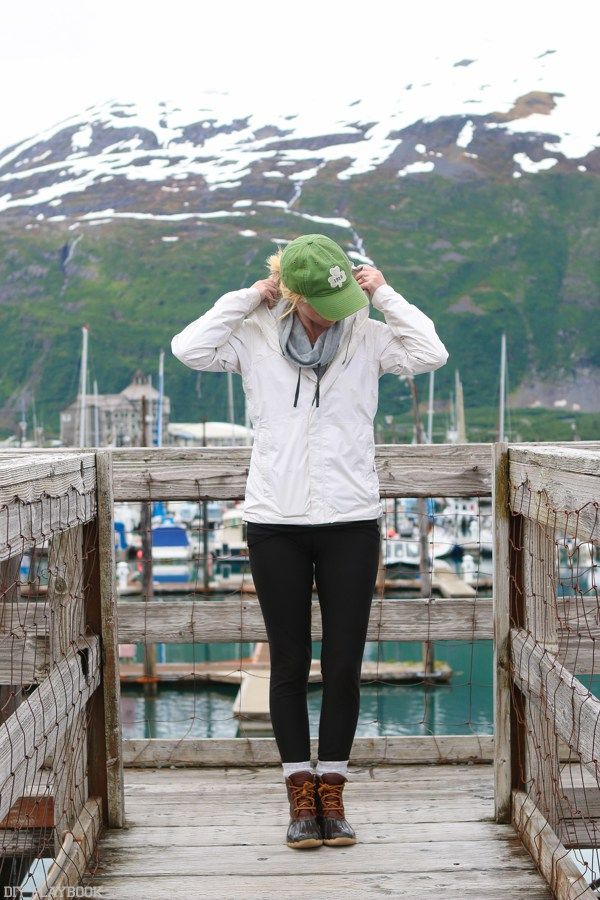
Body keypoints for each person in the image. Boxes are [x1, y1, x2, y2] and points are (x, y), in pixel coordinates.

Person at [171, 233, 449, 850]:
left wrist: (384, 294)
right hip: (275, 518)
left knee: (345, 665)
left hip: (351, 517)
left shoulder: (369, 334)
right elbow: (188, 347)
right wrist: (248, 297)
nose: (342, 306)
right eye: (328, 297)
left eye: (346, 293)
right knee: (289, 663)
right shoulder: (254, 335)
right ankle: (300, 795)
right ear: (294, 294)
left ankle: (334, 793)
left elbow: (431, 351)